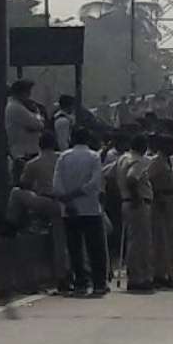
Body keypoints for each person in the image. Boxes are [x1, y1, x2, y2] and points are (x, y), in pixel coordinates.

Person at [5, 132, 69, 290]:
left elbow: (23, 184)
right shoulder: (63, 159)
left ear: (40, 145)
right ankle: (63, 277)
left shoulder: (34, 163)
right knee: (60, 242)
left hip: (44, 201)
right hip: (63, 203)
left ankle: (10, 223)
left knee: (15, 193)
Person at [53, 127, 108, 297]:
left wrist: (67, 199)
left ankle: (80, 283)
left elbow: (56, 184)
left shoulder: (63, 157)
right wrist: (79, 193)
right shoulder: (94, 156)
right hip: (90, 208)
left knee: (74, 249)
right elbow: (95, 183)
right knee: (95, 249)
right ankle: (99, 283)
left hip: (69, 210)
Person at [116, 133, 155, 292]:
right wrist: (137, 197)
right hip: (137, 203)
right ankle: (138, 278)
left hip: (126, 201)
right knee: (140, 243)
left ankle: (136, 276)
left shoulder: (123, 158)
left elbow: (108, 174)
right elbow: (132, 178)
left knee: (133, 241)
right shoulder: (138, 160)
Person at [148, 132, 173, 288]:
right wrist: (157, 196)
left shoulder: (172, 160)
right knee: (160, 239)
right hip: (160, 201)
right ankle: (160, 274)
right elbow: (149, 182)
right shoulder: (155, 162)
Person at [5, 79, 45, 163]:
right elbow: (39, 125)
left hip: (25, 151)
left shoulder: (18, 106)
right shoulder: (16, 107)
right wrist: (37, 113)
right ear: (20, 93)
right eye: (27, 91)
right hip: (23, 153)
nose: (29, 94)